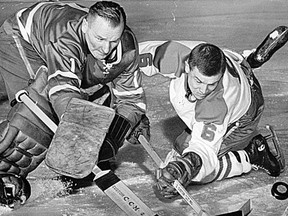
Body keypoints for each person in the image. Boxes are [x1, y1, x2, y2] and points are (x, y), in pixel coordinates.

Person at [0, 1, 150, 207]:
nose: (106, 48)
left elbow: (132, 101)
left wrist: (111, 139)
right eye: (100, 38)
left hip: (72, 51)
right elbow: (63, 93)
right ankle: (5, 174)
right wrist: (84, 137)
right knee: (39, 110)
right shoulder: (65, 38)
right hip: (24, 39)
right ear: (85, 26)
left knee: (98, 100)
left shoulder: (126, 48)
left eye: (113, 40)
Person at [138, 26, 288, 199]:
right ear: (187, 65)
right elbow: (128, 58)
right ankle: (248, 61)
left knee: (190, 168)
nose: (203, 90)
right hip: (236, 68)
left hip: (243, 115)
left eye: (211, 84)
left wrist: (188, 165)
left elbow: (204, 150)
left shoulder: (215, 105)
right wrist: (131, 105)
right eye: (198, 81)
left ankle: (253, 154)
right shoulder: (174, 54)